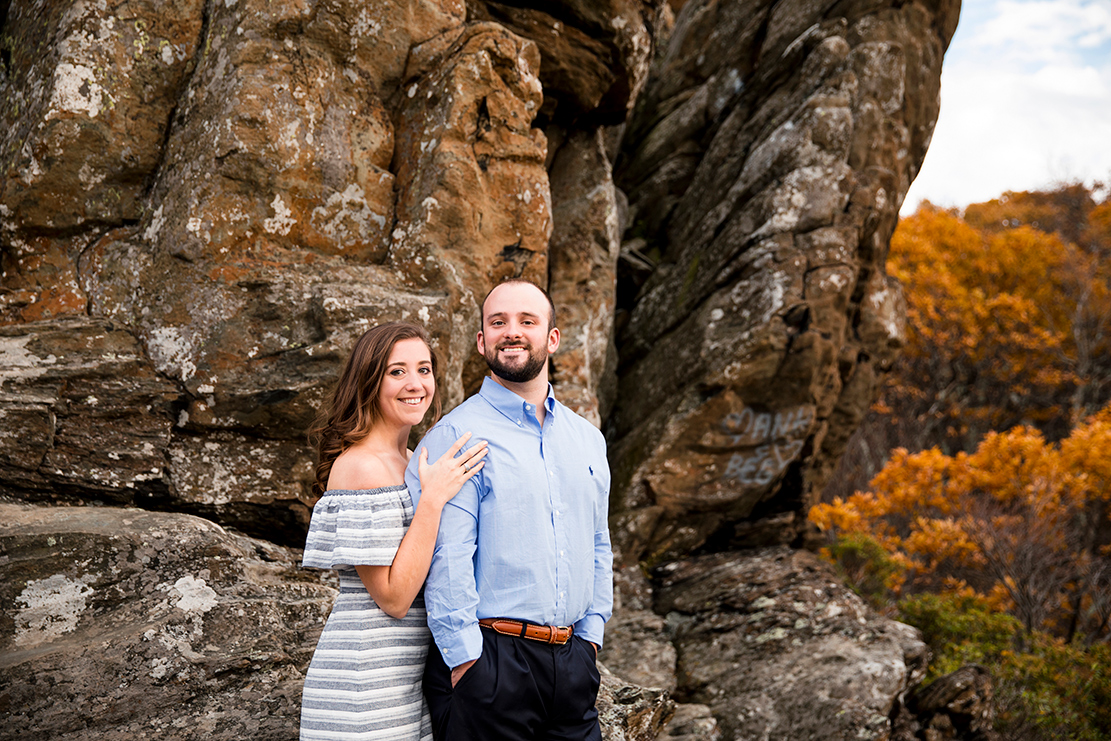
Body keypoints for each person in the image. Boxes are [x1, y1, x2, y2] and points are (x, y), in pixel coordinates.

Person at [404, 280, 614, 741]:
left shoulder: (587, 440)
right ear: (482, 341)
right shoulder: (457, 434)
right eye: (497, 322)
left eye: (527, 321)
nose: (511, 332)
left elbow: (598, 542)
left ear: (552, 338)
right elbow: (447, 555)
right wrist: (466, 660)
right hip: (490, 663)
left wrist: (592, 635)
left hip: (573, 663)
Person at [299, 322, 489, 741]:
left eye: (424, 370)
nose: (415, 384)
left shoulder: (411, 459)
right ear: (368, 381)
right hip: (363, 686)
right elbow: (394, 597)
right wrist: (433, 500)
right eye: (397, 371)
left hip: (407, 682)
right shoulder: (359, 465)